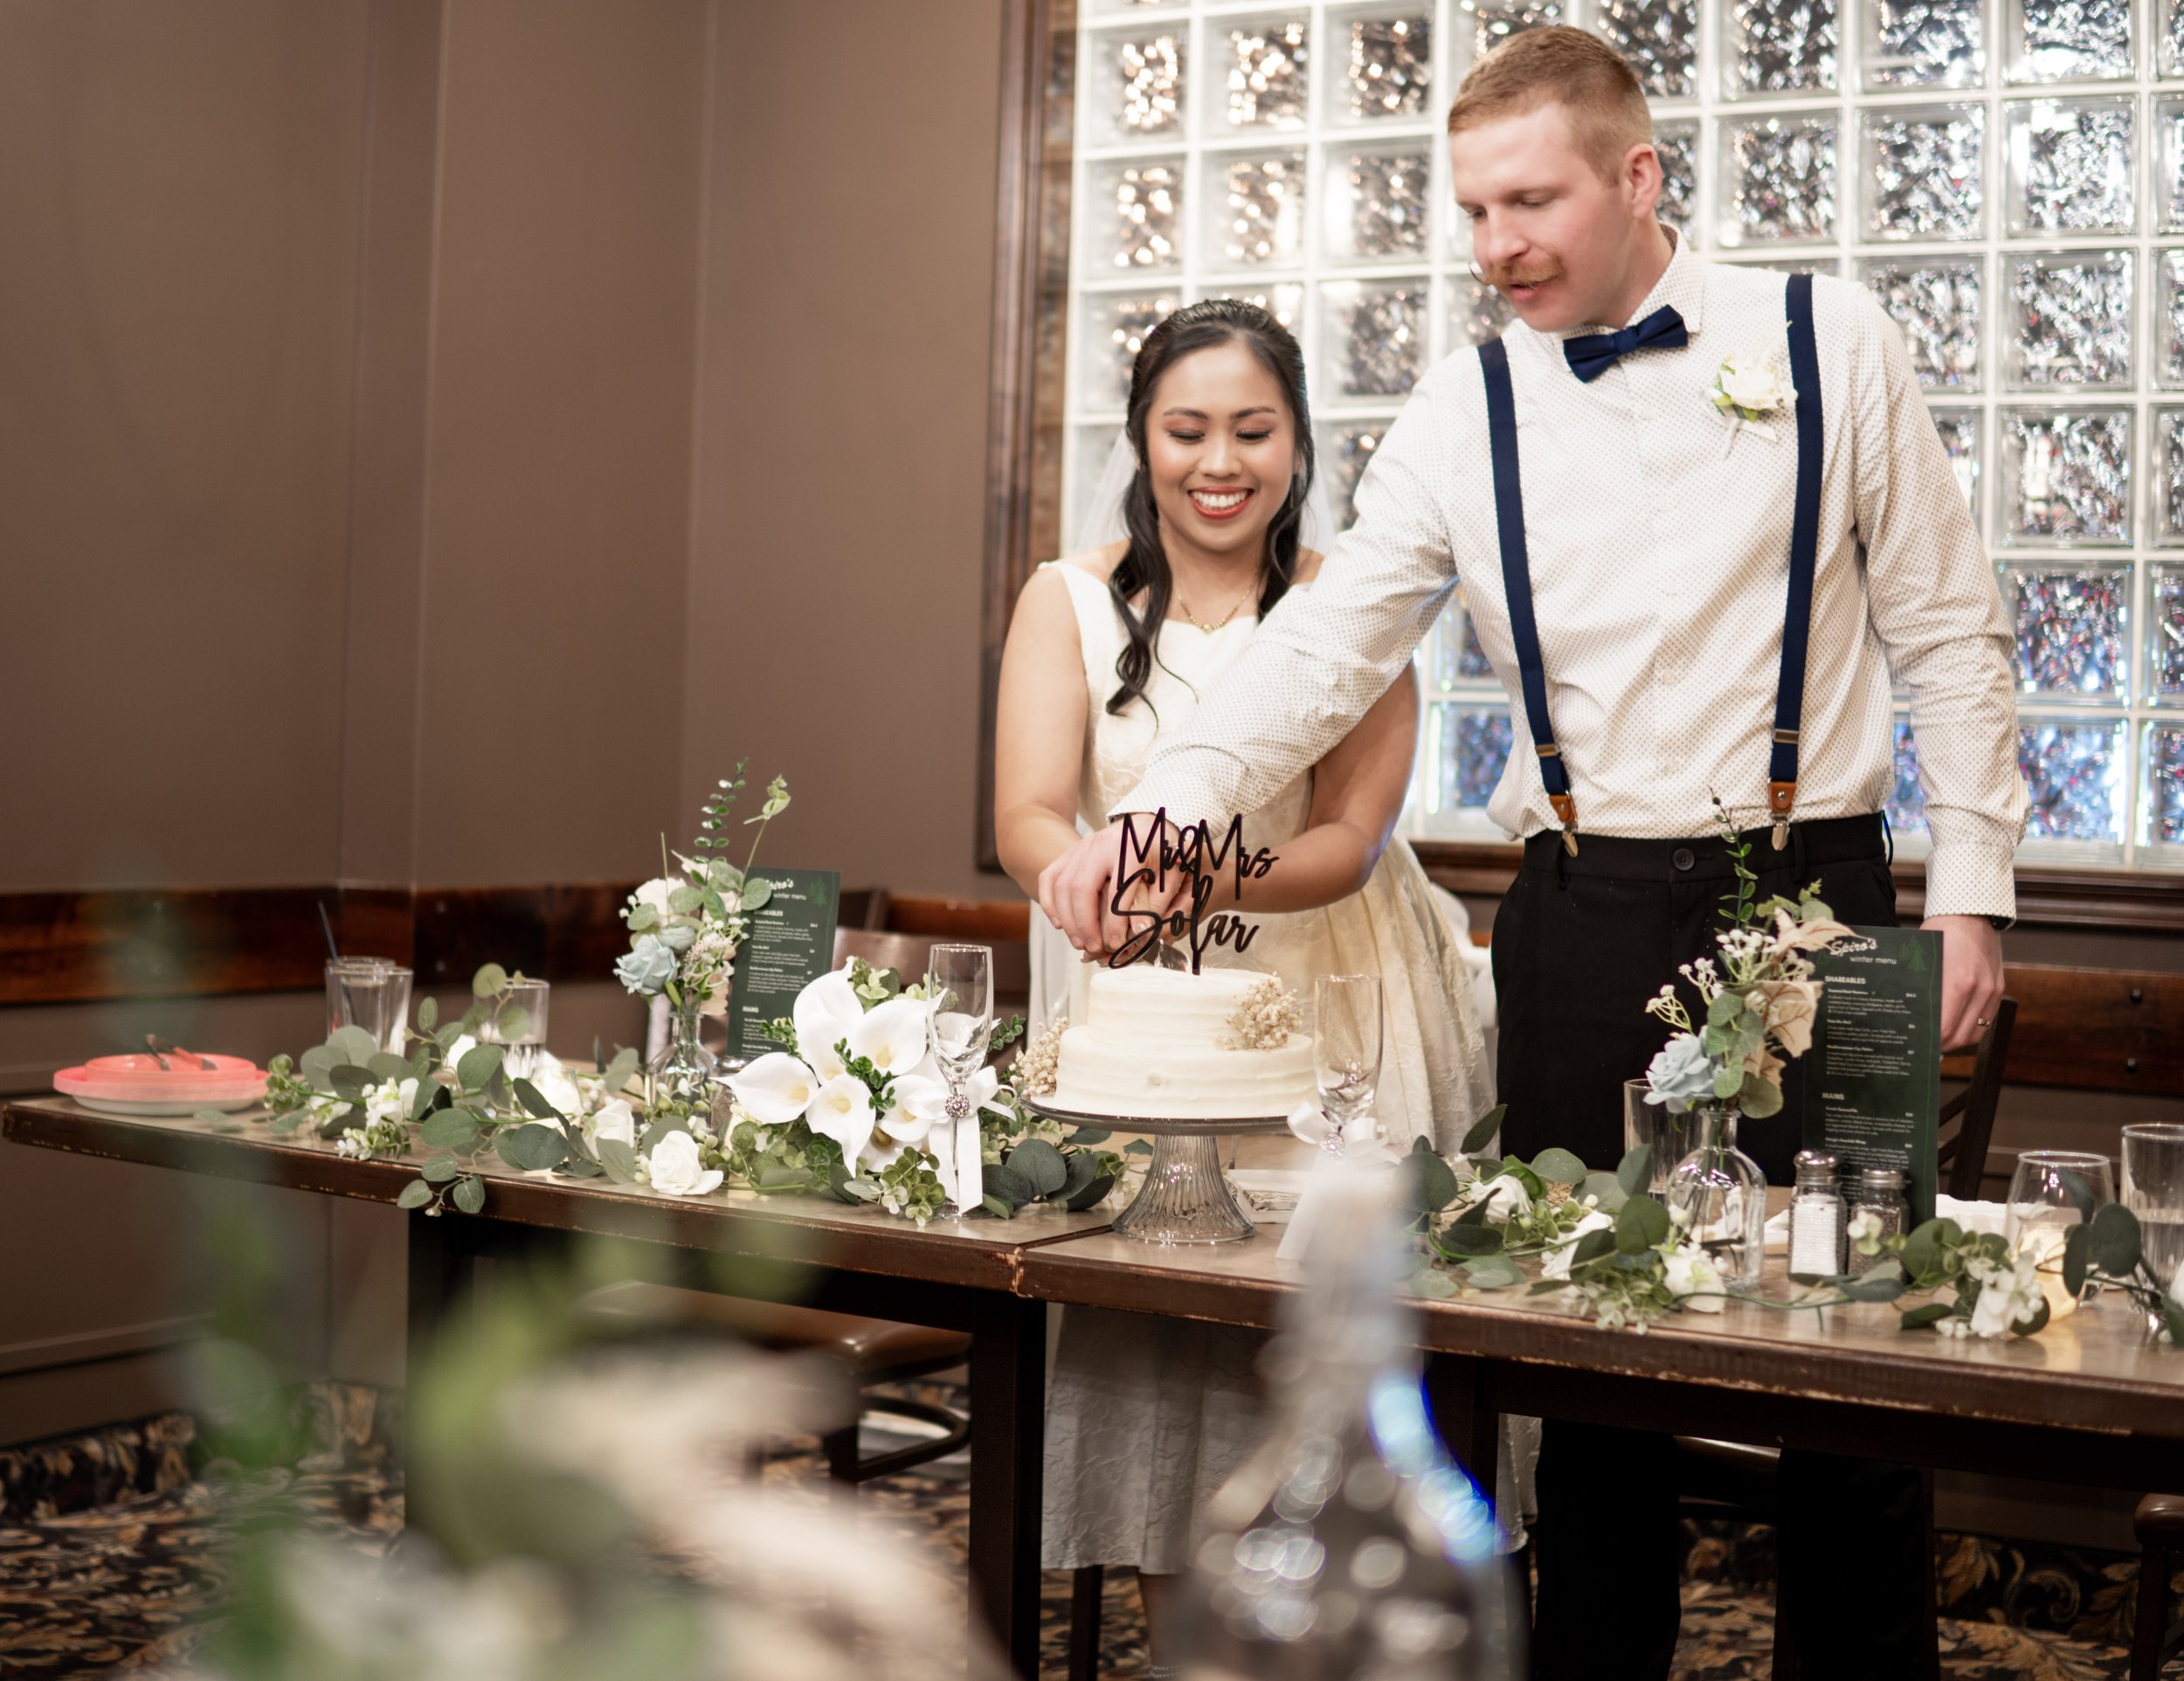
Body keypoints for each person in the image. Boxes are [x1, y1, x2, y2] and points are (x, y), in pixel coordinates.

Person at [1035, 29, 2028, 1681]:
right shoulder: (1464, 401)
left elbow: (1948, 631)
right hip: (1580, 916)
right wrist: (1165, 810)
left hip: (1828, 893)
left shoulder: (1827, 339)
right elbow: (1324, 650)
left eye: (1530, 201)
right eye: (1474, 208)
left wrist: (1973, 893)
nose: (1496, 246)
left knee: (1863, 1367)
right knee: (1588, 1375)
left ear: (1638, 177)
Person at [992, 298, 1503, 1666]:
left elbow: (1345, 843)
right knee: (1157, 1350)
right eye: (1187, 429)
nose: (1221, 461)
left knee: (1324, 1345)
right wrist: (1082, 874)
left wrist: (1195, 877)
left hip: (1334, 1023)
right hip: (1134, 1023)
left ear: (1298, 445)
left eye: (1254, 430)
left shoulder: (1357, 607)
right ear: (1141, 441)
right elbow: (1031, 809)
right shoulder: (1068, 599)